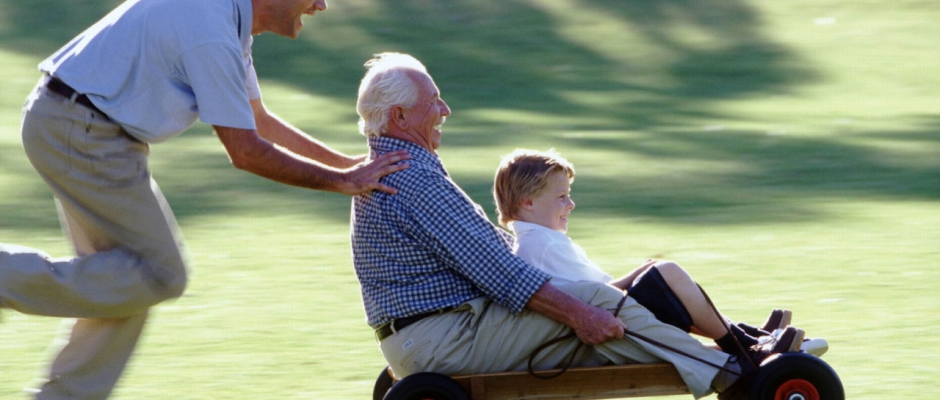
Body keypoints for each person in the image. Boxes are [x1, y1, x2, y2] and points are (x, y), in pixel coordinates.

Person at [0, 1, 410, 399]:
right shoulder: (212, 31)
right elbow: (246, 151)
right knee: (159, 273)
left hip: (80, 125)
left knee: (125, 281)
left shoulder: (226, 21)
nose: (321, 5)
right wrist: (342, 181)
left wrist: (350, 165)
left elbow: (260, 122)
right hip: (83, 129)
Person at [349, 52, 804, 400]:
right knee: (596, 302)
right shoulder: (413, 178)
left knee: (598, 299)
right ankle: (734, 373)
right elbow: (501, 273)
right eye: (433, 101)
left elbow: (486, 249)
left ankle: (730, 348)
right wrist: (580, 313)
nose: (445, 109)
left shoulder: (396, 168)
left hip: (432, 336)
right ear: (400, 117)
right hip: (444, 340)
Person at [492, 148, 827, 358]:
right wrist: (638, 275)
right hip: (604, 329)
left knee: (662, 277)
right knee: (667, 273)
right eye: (561, 197)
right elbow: (595, 298)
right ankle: (744, 344)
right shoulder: (542, 245)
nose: (571, 204)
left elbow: (590, 292)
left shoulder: (539, 241)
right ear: (529, 202)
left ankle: (747, 336)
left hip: (606, 319)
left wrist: (639, 273)